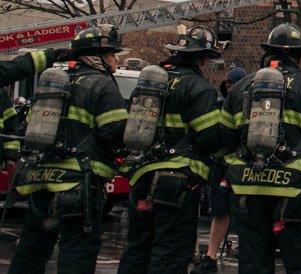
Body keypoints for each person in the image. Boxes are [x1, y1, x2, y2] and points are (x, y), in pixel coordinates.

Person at [220, 22, 301, 274]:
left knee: (253, 264)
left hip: (247, 191)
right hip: (295, 192)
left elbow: (223, 139)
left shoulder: (242, 87)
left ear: (269, 52)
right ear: (300, 56)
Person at [10, 25, 129, 274]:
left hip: (40, 180)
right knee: (77, 251)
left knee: (32, 248)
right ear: (99, 56)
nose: (115, 62)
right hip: (80, 184)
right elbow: (113, 133)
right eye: (112, 55)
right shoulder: (102, 84)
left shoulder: (52, 84)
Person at [118, 25, 225, 274]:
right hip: (176, 182)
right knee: (171, 250)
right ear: (203, 59)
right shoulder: (199, 88)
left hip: (141, 175)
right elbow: (209, 137)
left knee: (137, 247)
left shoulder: (149, 84)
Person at [194, 65, 247, 274]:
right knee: (219, 212)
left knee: (245, 213)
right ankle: (210, 256)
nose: (230, 88)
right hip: (222, 165)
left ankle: (247, 250)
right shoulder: (219, 106)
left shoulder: (246, 107)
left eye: (234, 84)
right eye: (228, 85)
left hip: (241, 167)